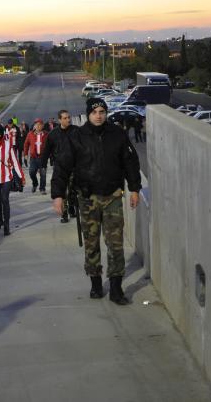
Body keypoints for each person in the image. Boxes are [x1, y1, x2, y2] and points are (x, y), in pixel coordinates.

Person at [50, 98, 141, 305]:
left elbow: (130, 162)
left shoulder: (117, 134)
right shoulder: (76, 136)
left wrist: (134, 188)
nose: (99, 115)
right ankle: (96, 283)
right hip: (87, 198)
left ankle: (116, 287)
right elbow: (62, 166)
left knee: (115, 244)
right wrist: (58, 195)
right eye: (95, 112)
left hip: (113, 197)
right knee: (91, 244)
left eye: (102, 111)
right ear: (88, 114)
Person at [40, 110, 78, 223]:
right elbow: (46, 151)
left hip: (74, 167)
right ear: (60, 120)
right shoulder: (53, 134)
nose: (68, 120)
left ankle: (72, 206)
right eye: (65, 118)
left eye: (69, 117)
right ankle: (64, 214)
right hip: (60, 167)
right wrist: (43, 165)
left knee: (72, 190)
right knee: (63, 191)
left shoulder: (76, 131)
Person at [23, 118, 48, 194]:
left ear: (42, 125)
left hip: (43, 158)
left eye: (39, 124)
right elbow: (26, 144)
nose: (37, 126)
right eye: (36, 124)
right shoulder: (30, 134)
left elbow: (51, 145)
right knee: (31, 172)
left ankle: (42, 188)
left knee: (43, 174)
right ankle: (35, 183)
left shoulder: (46, 134)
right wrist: (25, 154)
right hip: (33, 158)